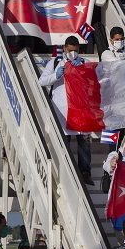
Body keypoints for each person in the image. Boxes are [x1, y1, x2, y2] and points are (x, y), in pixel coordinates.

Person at [38, 36, 94, 185]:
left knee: (84, 142)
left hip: (80, 109)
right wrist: (56, 75)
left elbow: (92, 84)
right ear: (64, 48)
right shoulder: (55, 62)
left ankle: (85, 173)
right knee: (65, 143)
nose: (72, 53)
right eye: (70, 50)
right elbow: (41, 81)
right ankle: (67, 173)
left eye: (75, 51)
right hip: (61, 111)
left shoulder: (84, 63)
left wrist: (82, 70)